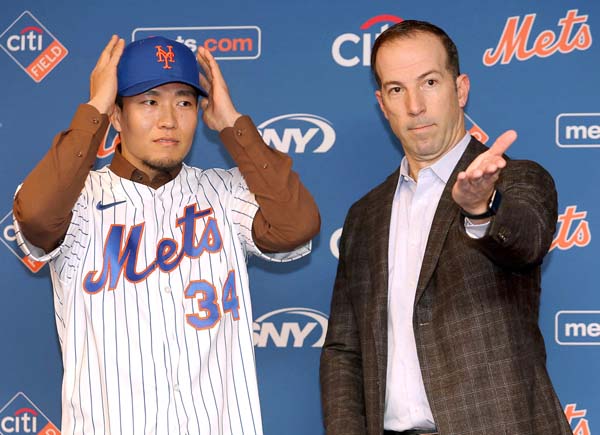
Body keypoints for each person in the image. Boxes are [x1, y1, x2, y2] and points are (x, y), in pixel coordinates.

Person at [13, 35, 320, 435]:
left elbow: (296, 226)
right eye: (149, 101)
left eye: (184, 102)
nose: (169, 120)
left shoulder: (226, 193)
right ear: (117, 116)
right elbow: (36, 217)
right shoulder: (79, 199)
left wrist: (231, 123)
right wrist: (94, 109)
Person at [320, 20, 572, 435]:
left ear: (460, 89)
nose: (415, 105)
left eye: (430, 82)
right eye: (397, 89)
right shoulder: (364, 216)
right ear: (382, 103)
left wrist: (481, 209)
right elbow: (344, 349)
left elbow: (525, 243)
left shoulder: (516, 180)